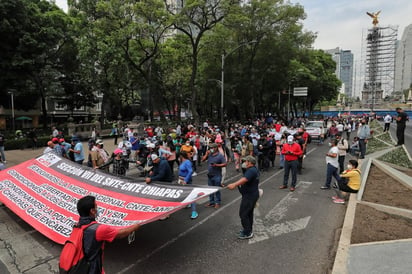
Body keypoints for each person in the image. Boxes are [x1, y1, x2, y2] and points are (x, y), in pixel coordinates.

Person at [74, 195, 140, 274]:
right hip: (92, 268)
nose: (97, 209)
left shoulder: (77, 225)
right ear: (92, 211)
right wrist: (136, 226)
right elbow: (121, 234)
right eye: (96, 206)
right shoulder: (99, 229)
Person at [226, 155, 260, 239]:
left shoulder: (251, 171)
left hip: (249, 196)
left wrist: (234, 184)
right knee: (248, 213)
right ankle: (248, 229)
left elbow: (245, 179)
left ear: (250, 163)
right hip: (251, 194)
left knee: (243, 214)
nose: (244, 163)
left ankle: (247, 232)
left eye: (245, 161)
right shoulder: (253, 169)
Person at [201, 143, 227, 209]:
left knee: (216, 189)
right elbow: (202, 160)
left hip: (217, 175)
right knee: (210, 190)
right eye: (210, 148)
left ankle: (217, 202)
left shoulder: (220, 156)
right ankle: (211, 202)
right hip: (210, 175)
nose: (211, 149)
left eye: (212, 148)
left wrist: (216, 165)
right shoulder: (209, 155)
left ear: (216, 148)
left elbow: (225, 164)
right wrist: (206, 154)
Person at [178, 151, 198, 219]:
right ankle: (188, 204)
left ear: (181, 156)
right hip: (182, 180)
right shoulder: (182, 161)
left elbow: (190, 171)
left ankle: (194, 212)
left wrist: (186, 180)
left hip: (186, 181)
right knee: (186, 194)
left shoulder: (187, 162)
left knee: (191, 195)